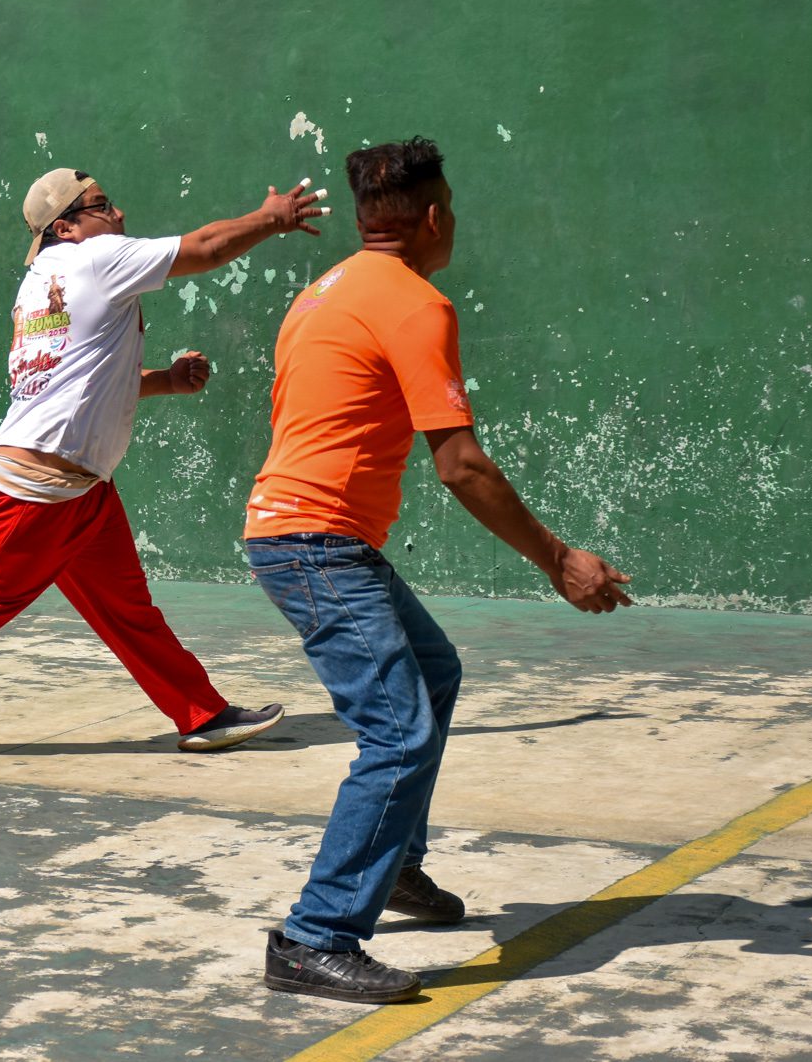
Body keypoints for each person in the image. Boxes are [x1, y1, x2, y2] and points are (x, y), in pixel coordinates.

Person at [245, 138, 631, 1004]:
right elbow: (460, 464)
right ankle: (316, 935)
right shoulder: (417, 303)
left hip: (307, 536)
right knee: (399, 733)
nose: (451, 219)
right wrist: (559, 560)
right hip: (314, 542)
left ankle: (397, 868)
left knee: (432, 672)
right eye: (449, 205)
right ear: (430, 218)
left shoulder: (322, 291)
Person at [0, 167, 330, 759]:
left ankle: (201, 715)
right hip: (34, 490)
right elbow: (206, 248)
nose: (116, 214)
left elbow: (79, 381)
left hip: (80, 488)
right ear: (65, 227)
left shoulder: (42, 282)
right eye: (101, 205)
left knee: (127, 611)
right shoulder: (94, 259)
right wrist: (270, 219)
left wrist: (164, 381)